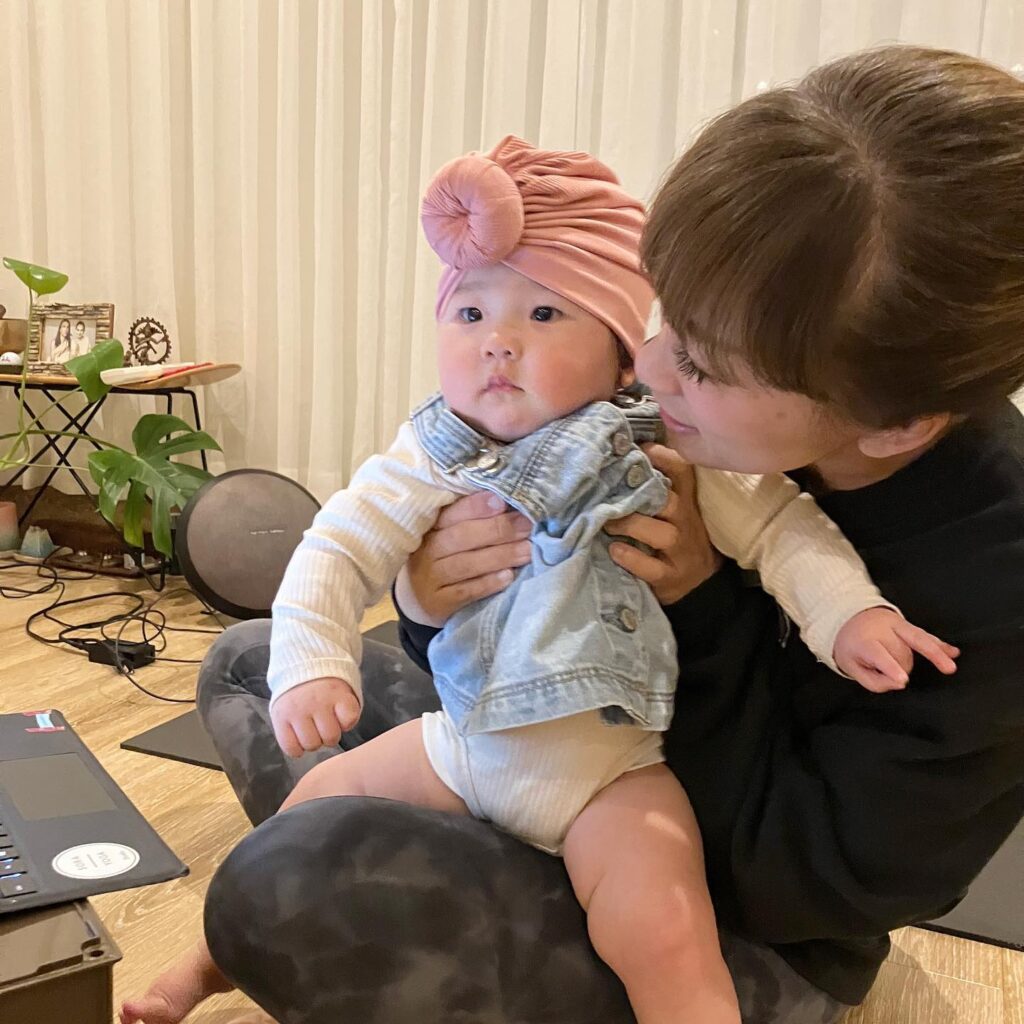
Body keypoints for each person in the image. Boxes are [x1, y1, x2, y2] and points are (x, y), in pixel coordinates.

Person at [200, 44, 1022, 1024]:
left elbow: (820, 879)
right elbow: (509, 620)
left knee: (288, 884)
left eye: (706, 365)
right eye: (669, 317)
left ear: (895, 423)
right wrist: (432, 595)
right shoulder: (665, 415)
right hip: (549, 749)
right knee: (254, 664)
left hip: (733, 913)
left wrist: (702, 605)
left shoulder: (992, 574)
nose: (652, 367)